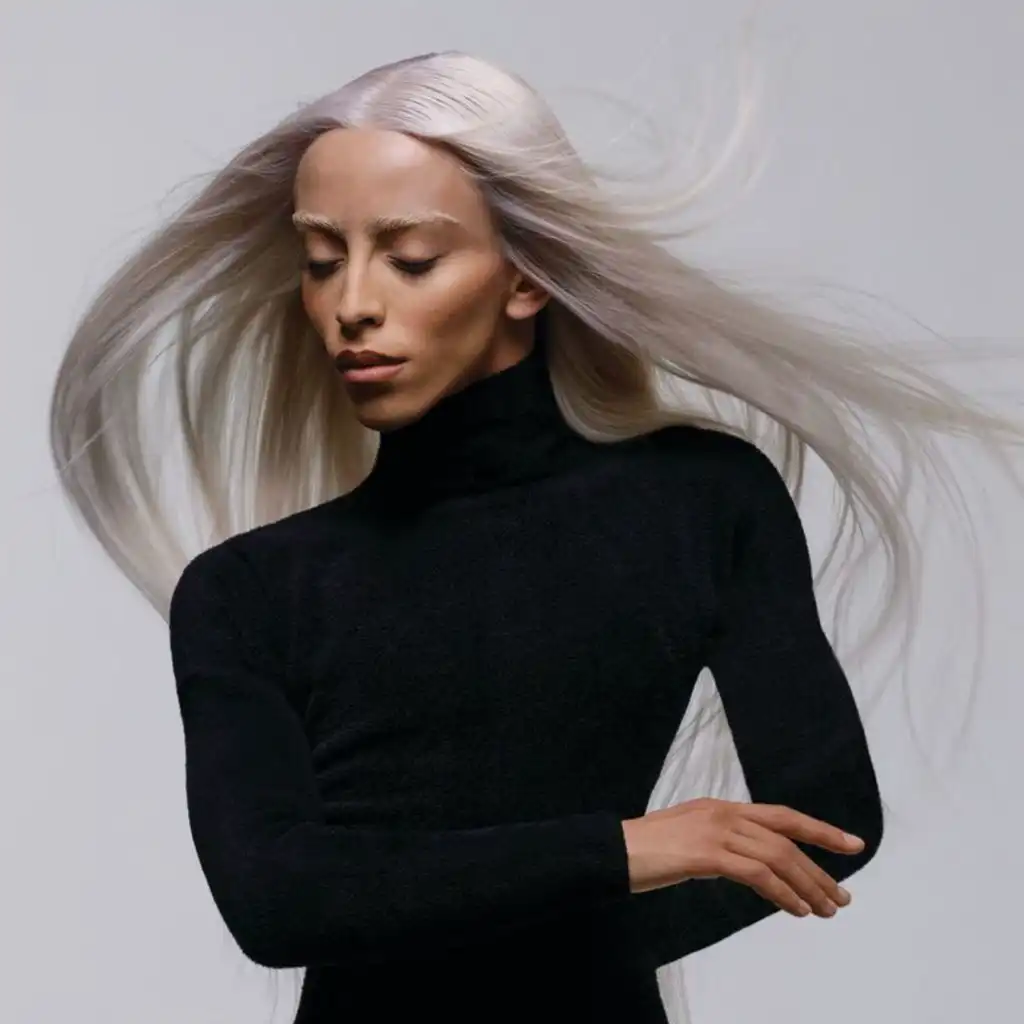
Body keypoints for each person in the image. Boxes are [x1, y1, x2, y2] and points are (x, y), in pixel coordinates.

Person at [48, 51, 1023, 1024]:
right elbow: (277, 899)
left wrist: (525, 944)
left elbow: (827, 822)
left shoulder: (704, 502)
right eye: (322, 260)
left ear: (525, 277)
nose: (351, 305)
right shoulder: (248, 589)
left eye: (410, 258)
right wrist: (623, 852)